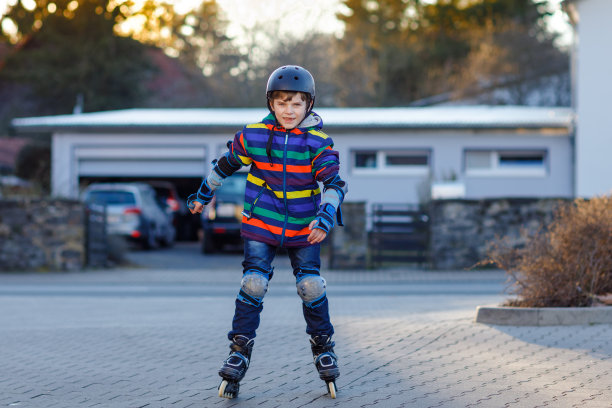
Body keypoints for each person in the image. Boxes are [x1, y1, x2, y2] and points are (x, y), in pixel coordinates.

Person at [187, 65, 347, 399]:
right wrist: (204, 194)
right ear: (271, 104)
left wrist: (325, 217)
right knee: (254, 282)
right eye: (282, 102)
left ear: (309, 105)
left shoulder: (317, 141)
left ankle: (323, 345)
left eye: (297, 103)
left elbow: (333, 184)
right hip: (262, 219)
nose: (289, 110)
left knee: (310, 285)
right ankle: (239, 349)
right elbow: (226, 164)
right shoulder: (254, 135)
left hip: (305, 224)